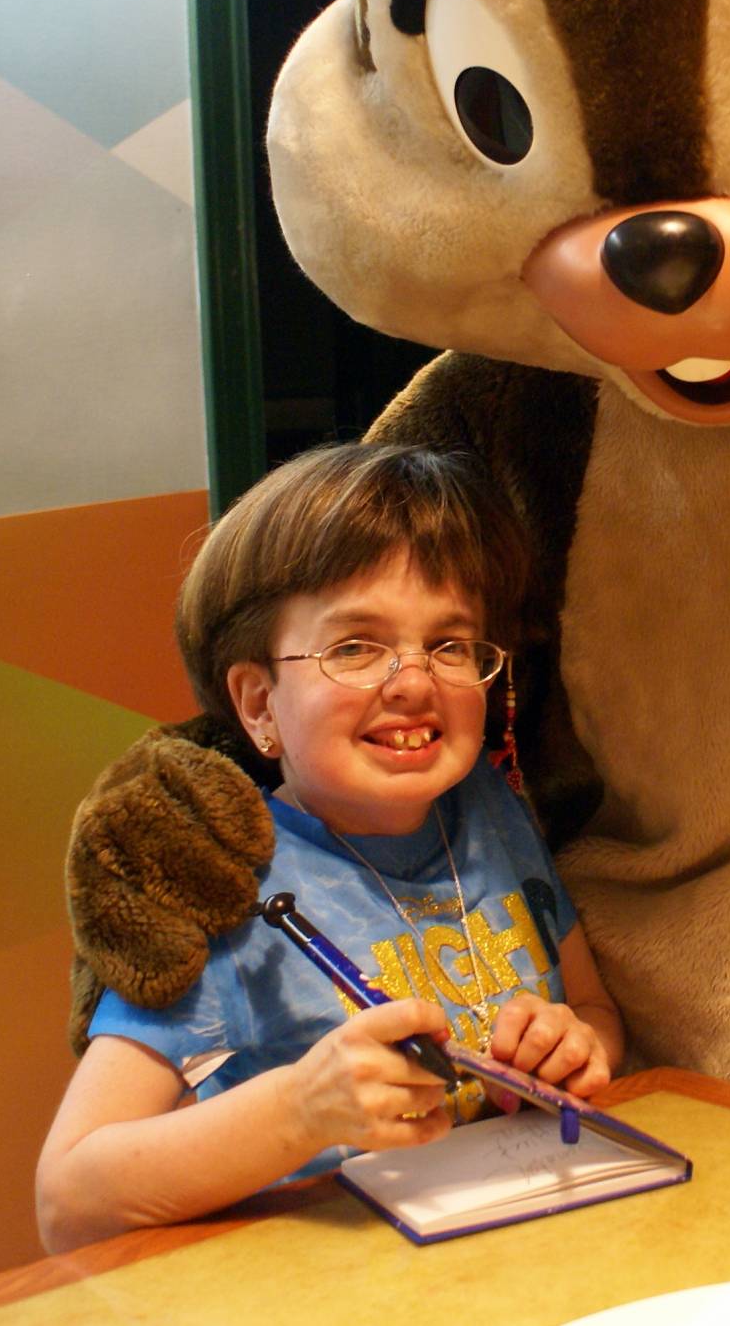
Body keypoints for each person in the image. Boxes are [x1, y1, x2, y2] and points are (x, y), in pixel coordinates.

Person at [36, 443, 624, 1254]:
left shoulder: (494, 808)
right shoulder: (214, 876)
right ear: (258, 705)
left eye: (451, 644)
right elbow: (68, 1199)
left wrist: (577, 1043)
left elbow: (593, 1010)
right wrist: (297, 1112)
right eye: (354, 647)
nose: (414, 681)